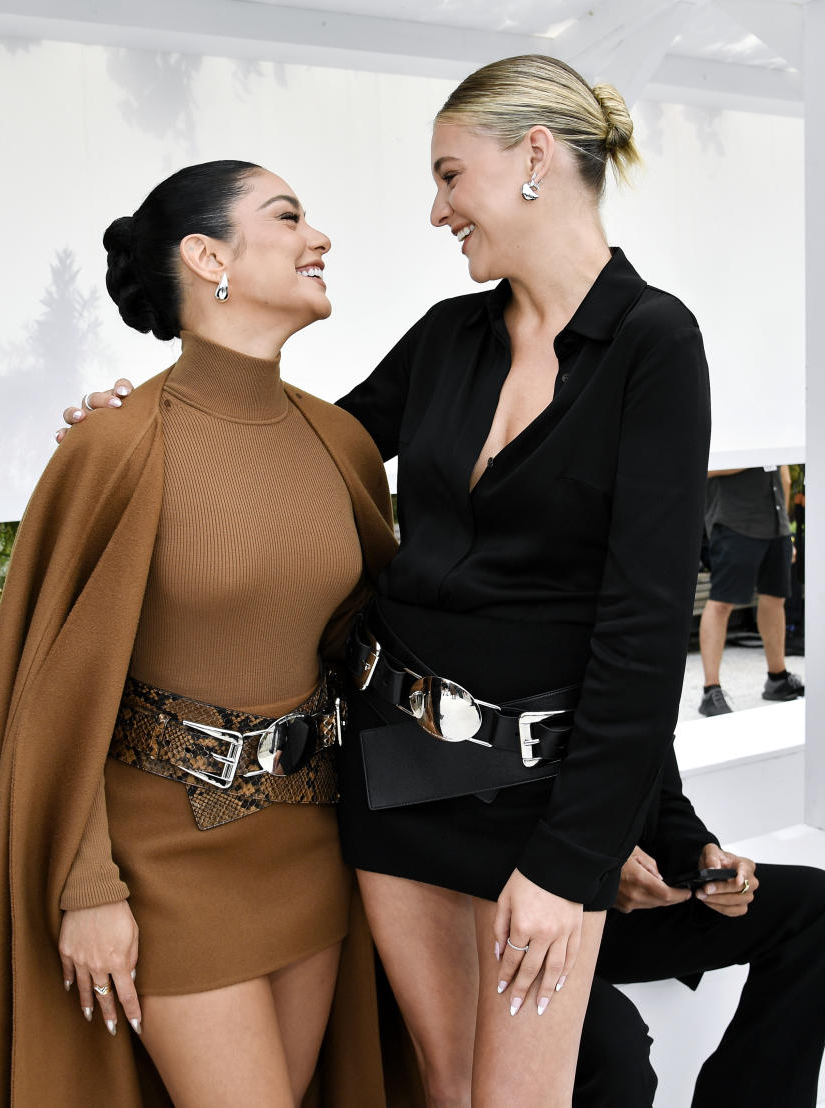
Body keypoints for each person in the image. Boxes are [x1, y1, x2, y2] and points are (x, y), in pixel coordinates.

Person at [61, 55, 711, 1106]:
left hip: (542, 804)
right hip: (393, 772)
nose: (436, 208)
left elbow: (643, 630)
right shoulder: (452, 338)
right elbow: (297, 455)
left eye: (452, 176)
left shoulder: (654, 344)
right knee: (446, 1087)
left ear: (534, 157)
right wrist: (138, 422)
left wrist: (573, 857)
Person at [0, 161, 400, 1107]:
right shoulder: (116, 444)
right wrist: (86, 881)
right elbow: (49, 693)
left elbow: (367, 644)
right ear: (207, 254)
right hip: (164, 864)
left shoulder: (340, 442)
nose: (321, 237)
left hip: (309, 848)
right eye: (289, 215)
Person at [574, 745, 825, 1107]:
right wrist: (597, 868)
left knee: (813, 909)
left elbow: (662, 797)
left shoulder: (645, 689)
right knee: (617, 1050)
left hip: (624, 906)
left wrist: (706, 857)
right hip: (520, 918)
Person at [698, 464, 804, 716]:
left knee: (775, 598)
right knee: (722, 602)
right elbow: (705, 466)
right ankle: (710, 690)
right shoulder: (732, 430)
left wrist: (784, 529)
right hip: (734, 522)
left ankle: (777, 677)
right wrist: (757, 456)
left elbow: (784, 472)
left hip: (774, 522)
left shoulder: (772, 429)